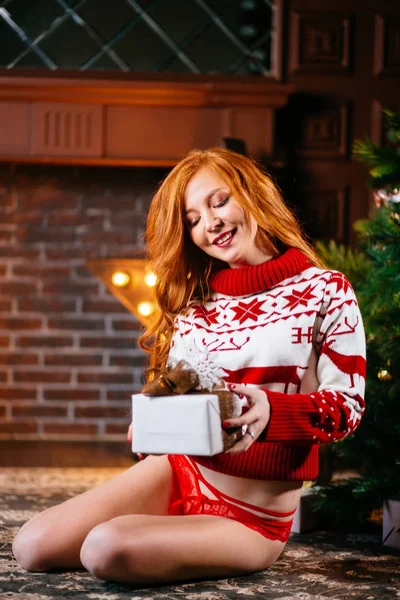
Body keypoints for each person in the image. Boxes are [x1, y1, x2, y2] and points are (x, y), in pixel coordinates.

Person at [12, 148, 366, 586]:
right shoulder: (197, 306)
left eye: (218, 201)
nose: (210, 223)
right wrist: (157, 421)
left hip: (252, 515)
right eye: (193, 219)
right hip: (181, 471)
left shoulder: (325, 290)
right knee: (31, 546)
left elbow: (347, 406)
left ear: (254, 195)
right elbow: (184, 390)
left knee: (104, 548)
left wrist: (273, 411)